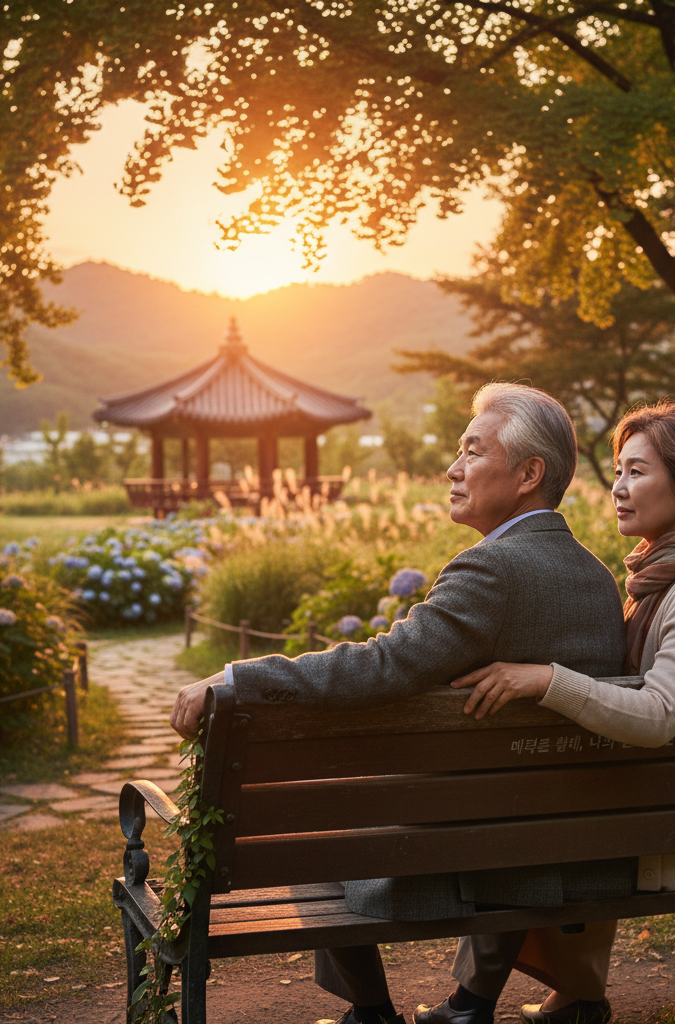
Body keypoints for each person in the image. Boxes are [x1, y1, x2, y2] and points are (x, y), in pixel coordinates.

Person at [170, 382, 628, 1024]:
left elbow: (382, 665)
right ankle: (469, 1005)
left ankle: (372, 1010)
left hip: (463, 857)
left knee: (306, 834)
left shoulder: (491, 572)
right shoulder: (598, 580)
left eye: (473, 450)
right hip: (572, 855)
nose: (453, 467)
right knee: (500, 798)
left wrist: (236, 678)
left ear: (530, 474)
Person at [441, 400, 675, 1024]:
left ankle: (474, 1003)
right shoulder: (664, 577)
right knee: (535, 801)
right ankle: (552, 997)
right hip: (669, 806)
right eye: (617, 471)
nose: (618, 488)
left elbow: (658, 714)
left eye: (637, 472)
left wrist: (545, 678)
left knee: (520, 819)